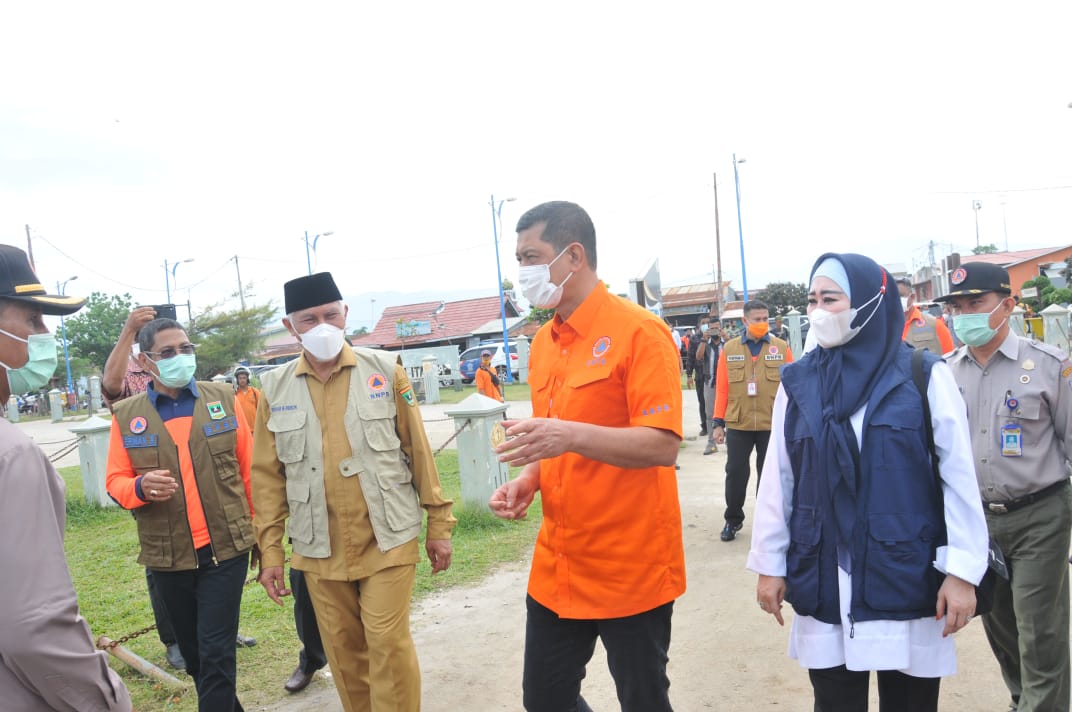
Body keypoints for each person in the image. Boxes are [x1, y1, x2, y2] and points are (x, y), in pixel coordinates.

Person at [748, 253, 989, 712]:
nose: (819, 310)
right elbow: (779, 480)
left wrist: (961, 573)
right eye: (813, 299)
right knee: (835, 702)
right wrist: (769, 564)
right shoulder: (798, 383)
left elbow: (958, 478)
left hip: (904, 570)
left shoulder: (921, 376)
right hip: (825, 572)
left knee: (910, 702)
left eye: (832, 299)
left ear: (871, 302)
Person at [489, 201, 685, 712]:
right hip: (560, 561)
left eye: (532, 257)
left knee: (643, 700)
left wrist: (569, 436)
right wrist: (529, 478)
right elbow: (551, 436)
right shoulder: (542, 345)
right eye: (519, 259)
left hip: (630, 563)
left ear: (573, 256)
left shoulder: (640, 333)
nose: (523, 272)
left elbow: (663, 444)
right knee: (546, 700)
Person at [251, 272, 455, 712]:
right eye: (309, 319)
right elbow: (267, 478)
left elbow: (418, 451)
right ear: (291, 327)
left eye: (330, 314)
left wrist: (439, 523)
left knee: (387, 642)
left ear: (345, 315)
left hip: (387, 535)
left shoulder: (384, 370)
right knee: (344, 653)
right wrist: (270, 552)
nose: (322, 325)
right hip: (318, 544)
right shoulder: (274, 388)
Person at [0, 244, 133, 712]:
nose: (44, 334)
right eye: (33, 319)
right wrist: (106, 700)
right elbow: (34, 626)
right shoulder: (11, 454)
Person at [937, 262, 1072, 712]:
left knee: (1040, 632)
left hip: (1040, 516)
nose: (964, 315)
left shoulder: (1051, 366)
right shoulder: (944, 374)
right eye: (957, 306)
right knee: (1003, 631)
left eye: (975, 303)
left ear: (1008, 305)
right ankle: (1024, 701)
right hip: (979, 525)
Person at [105, 318, 254, 712]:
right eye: (168, 352)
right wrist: (139, 487)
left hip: (225, 550)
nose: (179, 357)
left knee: (217, 652)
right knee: (196, 658)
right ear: (146, 360)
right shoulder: (127, 416)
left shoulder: (223, 398)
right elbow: (115, 481)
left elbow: (250, 472)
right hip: (168, 556)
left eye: (185, 349)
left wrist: (265, 540)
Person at [712, 300, 793, 542]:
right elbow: (723, 389)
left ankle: (767, 524)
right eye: (757, 319)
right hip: (739, 423)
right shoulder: (730, 349)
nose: (762, 324)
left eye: (765, 319)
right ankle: (732, 520)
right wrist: (718, 423)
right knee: (735, 473)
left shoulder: (781, 347)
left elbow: (791, 387)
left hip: (771, 423)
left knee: (769, 477)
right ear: (745, 321)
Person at [897, 277, 954, 354]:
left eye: (899, 296)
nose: (894, 299)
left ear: (912, 297)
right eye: (891, 295)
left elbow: (950, 357)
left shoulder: (934, 324)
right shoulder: (883, 328)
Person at [700, 316, 723, 455]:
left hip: (728, 384)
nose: (715, 331)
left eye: (717, 328)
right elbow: (698, 356)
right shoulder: (705, 343)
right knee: (710, 414)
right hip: (710, 383)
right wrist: (704, 339)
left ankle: (730, 440)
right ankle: (711, 442)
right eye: (712, 328)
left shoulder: (728, 343)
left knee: (731, 414)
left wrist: (727, 338)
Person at [686, 316, 711, 437]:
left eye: (708, 323)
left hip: (713, 374)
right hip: (700, 375)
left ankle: (719, 426)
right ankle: (704, 426)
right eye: (703, 323)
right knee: (703, 402)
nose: (706, 325)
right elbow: (690, 357)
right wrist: (689, 375)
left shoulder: (714, 337)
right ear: (699, 325)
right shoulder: (694, 338)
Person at [233, 366, 261, 433]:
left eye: (244, 378)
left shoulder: (255, 392)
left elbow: (261, 409)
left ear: (248, 379)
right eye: (240, 378)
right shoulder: (234, 394)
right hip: (241, 430)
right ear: (237, 380)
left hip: (255, 429)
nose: (242, 380)